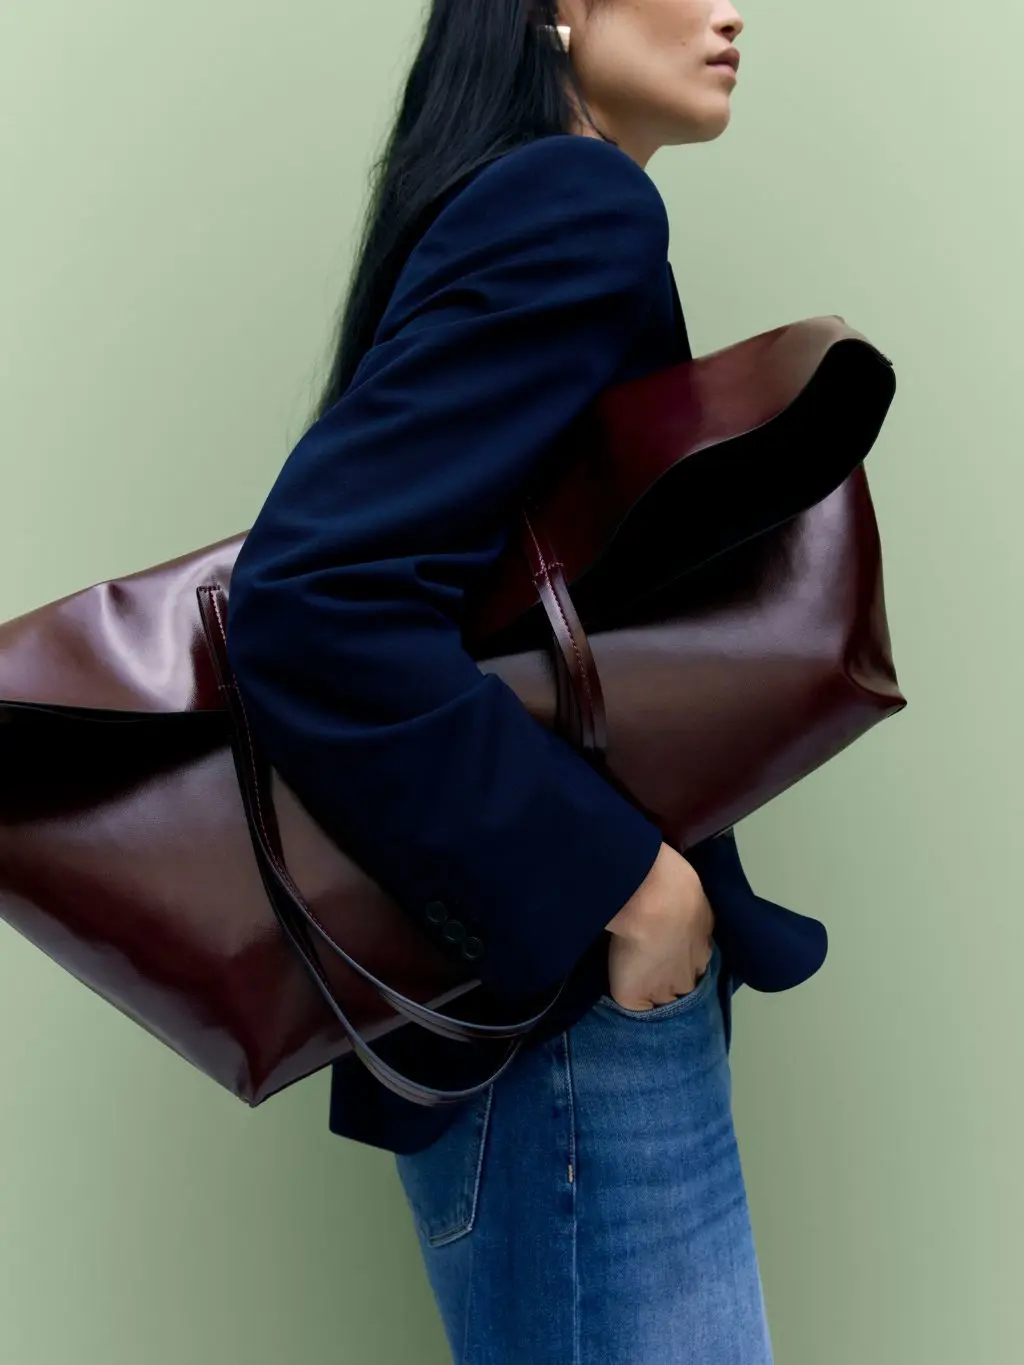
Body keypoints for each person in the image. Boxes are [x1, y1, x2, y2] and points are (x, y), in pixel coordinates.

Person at [226, 2, 829, 1359]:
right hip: (564, 1039)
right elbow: (313, 605)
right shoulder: (573, 203)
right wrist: (627, 881)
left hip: (534, 1031)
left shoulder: (505, 201)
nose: (736, 8)